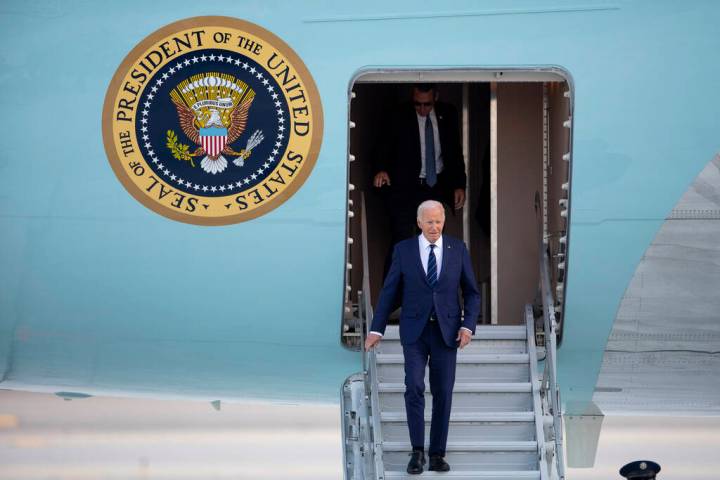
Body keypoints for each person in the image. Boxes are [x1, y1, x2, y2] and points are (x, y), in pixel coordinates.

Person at [365, 200, 480, 475]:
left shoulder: (457, 249)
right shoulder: (403, 250)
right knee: (414, 387)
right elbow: (389, 291)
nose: (434, 227)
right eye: (429, 222)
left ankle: (437, 453)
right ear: (419, 223)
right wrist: (376, 328)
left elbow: (472, 292)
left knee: (443, 393)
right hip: (415, 332)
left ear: (444, 221)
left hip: (447, 332)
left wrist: (468, 326)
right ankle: (417, 452)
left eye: (438, 221)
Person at [373, 84, 468, 246]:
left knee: (433, 241)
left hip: (435, 186)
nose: (422, 109)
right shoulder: (398, 115)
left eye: (427, 104)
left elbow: (454, 152)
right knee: (401, 242)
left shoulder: (448, 113)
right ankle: (398, 272)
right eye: (417, 104)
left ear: (435, 98)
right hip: (406, 187)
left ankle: (428, 272)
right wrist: (381, 169)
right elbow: (383, 145)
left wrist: (459, 185)